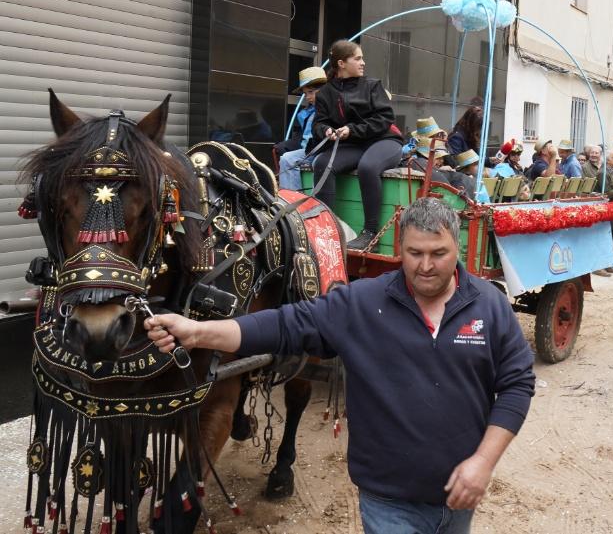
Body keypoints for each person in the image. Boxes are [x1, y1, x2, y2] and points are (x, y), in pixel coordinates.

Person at [144, 198, 535, 534]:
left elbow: (517, 383)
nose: (426, 266)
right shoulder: (361, 304)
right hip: (389, 500)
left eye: (439, 254)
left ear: (458, 248)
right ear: (401, 248)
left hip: (461, 492)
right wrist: (198, 332)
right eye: (415, 254)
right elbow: (281, 325)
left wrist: (482, 463)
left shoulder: (489, 304)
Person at [312, 40, 404, 251]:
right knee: (322, 163)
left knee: (368, 167)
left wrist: (352, 130)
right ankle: (326, 230)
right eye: (358, 58)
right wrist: (325, 131)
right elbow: (319, 123)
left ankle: (371, 233)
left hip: (384, 140)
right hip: (353, 145)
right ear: (342, 63)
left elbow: (384, 119)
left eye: (362, 58)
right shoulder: (325, 93)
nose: (363, 63)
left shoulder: (372, 86)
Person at [275, 66, 327, 190]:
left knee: (287, 159)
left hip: (323, 150)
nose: (308, 97)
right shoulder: (305, 113)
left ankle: (293, 200)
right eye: (305, 93)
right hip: (308, 150)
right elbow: (300, 137)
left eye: (311, 92)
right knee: (285, 157)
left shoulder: (329, 108)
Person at [582, 145, 613, 276]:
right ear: (608, 159)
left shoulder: (611, 171)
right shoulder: (602, 172)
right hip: (604, 209)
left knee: (609, 238)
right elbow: (606, 193)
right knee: (601, 238)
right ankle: (597, 265)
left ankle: (607, 263)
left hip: (612, 210)